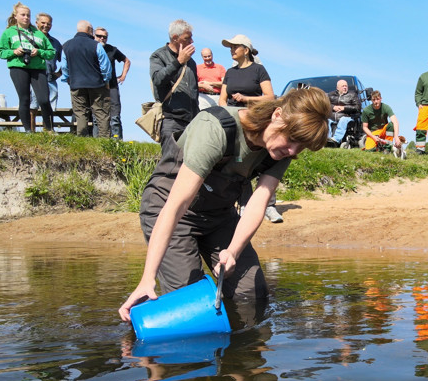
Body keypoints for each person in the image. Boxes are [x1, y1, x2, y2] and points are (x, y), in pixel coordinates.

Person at [118, 88, 331, 321]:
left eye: (301, 146)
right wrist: (147, 279)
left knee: (253, 294)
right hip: (170, 209)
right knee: (192, 301)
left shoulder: (280, 152)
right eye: (291, 139)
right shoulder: (216, 127)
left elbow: (258, 205)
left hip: (219, 216)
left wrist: (232, 251)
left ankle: (238, 349)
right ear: (277, 115)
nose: (292, 151)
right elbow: (176, 206)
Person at [219, 34, 281, 223]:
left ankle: (269, 206)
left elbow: (270, 97)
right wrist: (225, 113)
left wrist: (247, 99)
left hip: (255, 119)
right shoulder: (230, 72)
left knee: (263, 159)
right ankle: (244, 203)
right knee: (239, 160)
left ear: (246, 50)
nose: (232, 50)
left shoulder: (258, 70)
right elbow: (222, 97)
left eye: (235, 46)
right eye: (230, 47)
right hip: (233, 120)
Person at [0, 2, 56, 133]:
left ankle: (50, 129)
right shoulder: (8, 32)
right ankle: (28, 130)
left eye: (28, 15)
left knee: (44, 100)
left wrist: (39, 52)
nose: (26, 17)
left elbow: (51, 52)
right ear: (16, 16)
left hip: (38, 68)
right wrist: (14, 52)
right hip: (18, 68)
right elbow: (1, 52)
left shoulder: (38, 33)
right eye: (23, 15)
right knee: (24, 99)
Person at [150, 19, 198, 158]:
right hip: (171, 119)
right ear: (175, 38)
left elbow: (194, 91)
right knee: (169, 165)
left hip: (191, 121)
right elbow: (158, 79)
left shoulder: (191, 62)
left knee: (189, 164)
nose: (192, 41)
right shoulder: (158, 55)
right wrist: (178, 62)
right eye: (187, 38)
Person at [60, 20, 112, 138]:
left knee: (80, 113)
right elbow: (105, 66)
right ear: (89, 30)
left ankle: (82, 139)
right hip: (97, 84)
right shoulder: (96, 45)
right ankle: (104, 141)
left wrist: (68, 79)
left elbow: (64, 66)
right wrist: (106, 80)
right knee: (101, 113)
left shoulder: (66, 45)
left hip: (76, 84)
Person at [94, 27, 130, 139]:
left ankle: (117, 142)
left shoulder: (112, 49)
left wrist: (123, 75)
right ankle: (97, 141)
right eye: (99, 36)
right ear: (94, 36)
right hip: (95, 86)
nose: (102, 38)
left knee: (115, 117)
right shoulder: (90, 48)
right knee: (96, 116)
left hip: (112, 85)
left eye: (104, 37)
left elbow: (127, 61)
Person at [29, 12, 62, 131]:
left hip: (50, 79)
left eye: (48, 23)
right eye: (43, 23)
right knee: (32, 106)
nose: (46, 25)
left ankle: (47, 132)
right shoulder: (29, 38)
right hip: (34, 77)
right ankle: (31, 132)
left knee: (50, 107)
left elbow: (64, 60)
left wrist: (59, 73)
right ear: (37, 23)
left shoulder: (55, 43)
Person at [360, 90, 404, 158]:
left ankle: (387, 148)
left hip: (383, 131)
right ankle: (379, 147)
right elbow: (364, 127)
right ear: (371, 100)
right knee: (369, 150)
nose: (376, 102)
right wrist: (373, 137)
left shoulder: (386, 107)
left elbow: (395, 121)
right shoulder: (366, 110)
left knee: (391, 125)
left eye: (377, 99)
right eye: (373, 100)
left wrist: (396, 137)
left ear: (381, 99)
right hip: (373, 133)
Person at [326, 79, 361, 147]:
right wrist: (333, 107)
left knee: (343, 120)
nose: (345, 87)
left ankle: (336, 139)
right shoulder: (330, 95)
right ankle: (327, 139)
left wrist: (344, 108)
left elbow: (357, 107)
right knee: (326, 120)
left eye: (346, 86)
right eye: (343, 86)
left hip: (347, 116)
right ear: (337, 88)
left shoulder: (352, 95)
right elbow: (325, 105)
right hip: (332, 116)